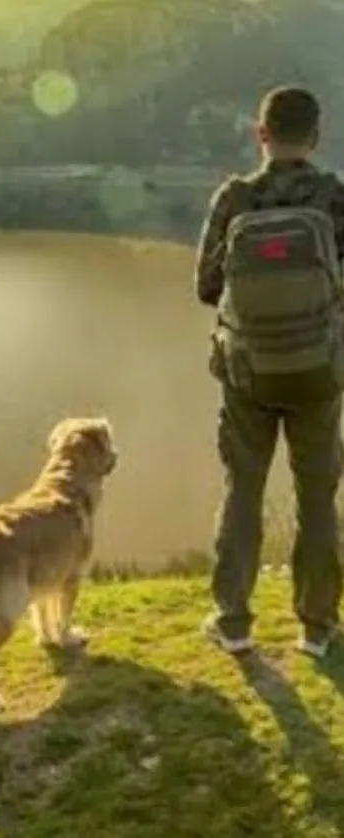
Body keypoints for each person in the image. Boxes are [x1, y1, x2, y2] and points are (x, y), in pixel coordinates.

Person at [195, 86, 344, 658]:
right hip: (318, 375)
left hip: (247, 374)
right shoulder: (333, 197)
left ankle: (233, 621)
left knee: (243, 491)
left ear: (261, 134)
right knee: (317, 495)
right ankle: (318, 626)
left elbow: (206, 288)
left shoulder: (235, 199)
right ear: (315, 138)